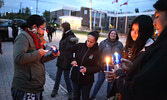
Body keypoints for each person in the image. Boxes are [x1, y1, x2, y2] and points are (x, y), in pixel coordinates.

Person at [105, 15, 155, 100]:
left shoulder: (151, 51)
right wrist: (116, 74)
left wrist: (121, 74)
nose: (134, 33)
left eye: (138, 31)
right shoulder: (130, 46)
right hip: (122, 89)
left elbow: (144, 80)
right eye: (132, 29)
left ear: (146, 32)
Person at [11, 15, 60, 100]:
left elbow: (39, 59)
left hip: (36, 87)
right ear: (34, 26)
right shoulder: (23, 37)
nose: (44, 31)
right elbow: (19, 58)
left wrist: (52, 55)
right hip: (25, 87)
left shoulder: (37, 38)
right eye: (43, 28)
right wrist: (38, 53)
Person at [90, 29, 123, 100]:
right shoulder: (103, 43)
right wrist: (99, 63)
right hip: (103, 66)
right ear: (109, 34)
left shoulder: (119, 44)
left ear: (116, 35)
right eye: (111, 33)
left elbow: (121, 55)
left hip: (113, 68)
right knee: (99, 82)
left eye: (114, 34)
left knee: (110, 84)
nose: (113, 35)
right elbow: (98, 54)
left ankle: (108, 97)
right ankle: (93, 96)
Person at [70, 31, 101, 100]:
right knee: (75, 97)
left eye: (91, 42)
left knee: (85, 97)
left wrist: (87, 69)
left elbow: (99, 67)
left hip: (87, 81)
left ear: (95, 42)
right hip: (75, 77)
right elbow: (68, 51)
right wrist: (73, 59)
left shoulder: (97, 52)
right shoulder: (80, 46)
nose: (88, 43)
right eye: (88, 40)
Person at [51, 22, 78, 99]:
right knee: (58, 76)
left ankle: (70, 92)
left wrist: (71, 58)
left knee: (66, 77)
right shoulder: (65, 35)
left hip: (67, 59)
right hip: (61, 58)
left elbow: (73, 49)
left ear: (65, 27)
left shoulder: (72, 36)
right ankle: (55, 90)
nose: (61, 28)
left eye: (62, 27)